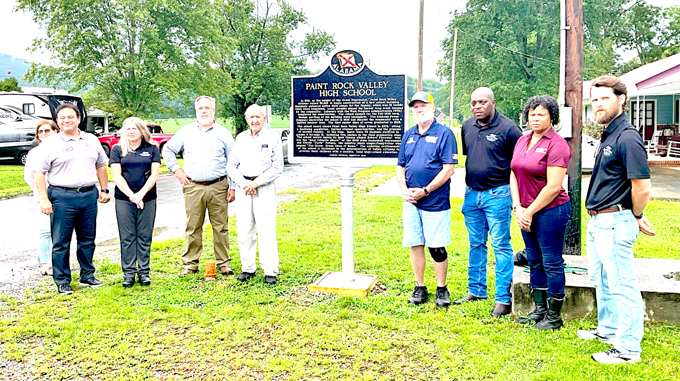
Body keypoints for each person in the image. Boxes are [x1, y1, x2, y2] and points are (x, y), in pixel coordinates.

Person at [578, 75, 655, 364]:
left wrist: (635, 215)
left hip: (614, 221)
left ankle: (627, 350)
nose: (597, 104)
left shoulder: (627, 137)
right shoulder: (609, 133)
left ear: (621, 99)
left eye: (604, 98)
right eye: (594, 99)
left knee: (622, 285)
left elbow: (642, 186)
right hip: (598, 222)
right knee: (601, 279)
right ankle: (608, 330)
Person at [457, 87, 522, 317]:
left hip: (498, 195)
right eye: (473, 103)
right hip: (472, 194)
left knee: (501, 246)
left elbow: (519, 164)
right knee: (476, 244)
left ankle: (503, 299)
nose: (477, 107)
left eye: (482, 102)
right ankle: (476, 290)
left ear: (493, 102)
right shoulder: (467, 126)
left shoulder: (509, 129)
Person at [32, 104, 111, 295]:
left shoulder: (91, 140)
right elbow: (39, 173)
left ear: (78, 119)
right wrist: (44, 200)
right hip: (61, 196)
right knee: (61, 241)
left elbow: (101, 165)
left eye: (70, 117)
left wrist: (105, 189)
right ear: (57, 122)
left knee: (87, 239)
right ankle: (62, 280)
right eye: (62, 118)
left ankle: (87, 274)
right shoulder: (50, 144)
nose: (66, 120)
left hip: (88, 195)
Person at [510, 95, 572, 330]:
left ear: (552, 117)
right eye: (532, 114)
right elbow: (514, 173)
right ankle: (540, 310)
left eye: (541, 114)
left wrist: (529, 212)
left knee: (551, 262)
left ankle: (555, 318)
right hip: (525, 210)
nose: (535, 119)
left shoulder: (557, 144)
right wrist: (518, 207)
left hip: (550, 211)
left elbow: (553, 186)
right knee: (534, 260)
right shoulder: (522, 141)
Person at [162, 96, 236, 276]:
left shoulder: (224, 133)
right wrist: (176, 170)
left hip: (219, 186)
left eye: (207, 108)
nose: (203, 111)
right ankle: (191, 264)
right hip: (193, 186)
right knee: (193, 226)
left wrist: (232, 186)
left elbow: (233, 161)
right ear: (196, 111)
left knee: (220, 226)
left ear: (213, 110)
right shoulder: (185, 132)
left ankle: (223, 263)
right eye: (200, 108)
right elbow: (168, 150)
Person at [396, 91, 457, 308]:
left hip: (435, 201)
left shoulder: (444, 134)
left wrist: (426, 190)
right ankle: (420, 286)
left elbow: (448, 169)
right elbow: (400, 166)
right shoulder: (409, 134)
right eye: (415, 107)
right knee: (415, 244)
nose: (419, 110)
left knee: (436, 246)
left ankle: (442, 288)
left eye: (423, 106)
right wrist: (405, 190)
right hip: (411, 201)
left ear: (433, 108)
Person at [227, 104, 284, 284]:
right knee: (244, 230)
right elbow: (231, 166)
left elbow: (277, 167)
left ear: (264, 118)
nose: (254, 120)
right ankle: (248, 268)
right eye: (251, 117)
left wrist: (256, 182)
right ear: (246, 119)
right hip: (244, 187)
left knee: (266, 229)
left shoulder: (272, 138)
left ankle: (270, 271)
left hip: (264, 187)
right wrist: (244, 183)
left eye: (258, 117)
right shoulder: (241, 138)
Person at [110, 117, 161, 288]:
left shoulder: (152, 148)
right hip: (124, 199)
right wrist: (132, 195)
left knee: (144, 236)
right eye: (127, 128)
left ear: (141, 131)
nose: (131, 131)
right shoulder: (117, 150)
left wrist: (141, 194)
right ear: (123, 131)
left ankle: (144, 272)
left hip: (147, 197)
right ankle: (129, 273)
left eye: (134, 128)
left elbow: (154, 174)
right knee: (127, 236)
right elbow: (116, 176)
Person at [24, 120, 60, 276]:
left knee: (60, 233)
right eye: (41, 132)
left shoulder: (62, 149)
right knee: (45, 231)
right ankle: (46, 263)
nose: (44, 134)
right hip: (43, 198)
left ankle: (59, 261)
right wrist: (41, 192)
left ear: (56, 131)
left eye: (47, 131)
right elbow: (29, 177)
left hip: (62, 196)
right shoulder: (34, 153)